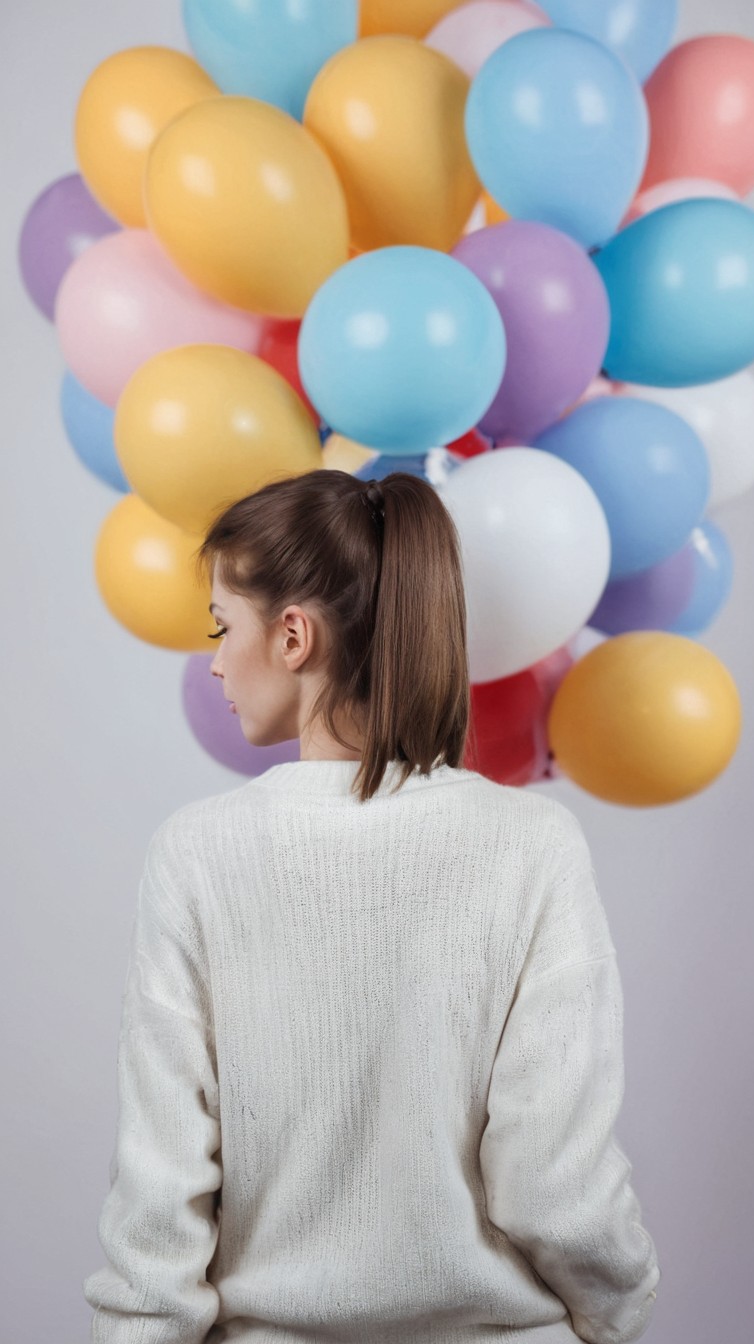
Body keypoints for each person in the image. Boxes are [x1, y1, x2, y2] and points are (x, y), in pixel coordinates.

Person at [83, 469, 660, 1343]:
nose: (215, 661)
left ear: (292, 636)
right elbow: (554, 1180)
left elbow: (160, 1187)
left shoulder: (196, 852)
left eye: (221, 626)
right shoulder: (533, 844)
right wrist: (618, 1314)